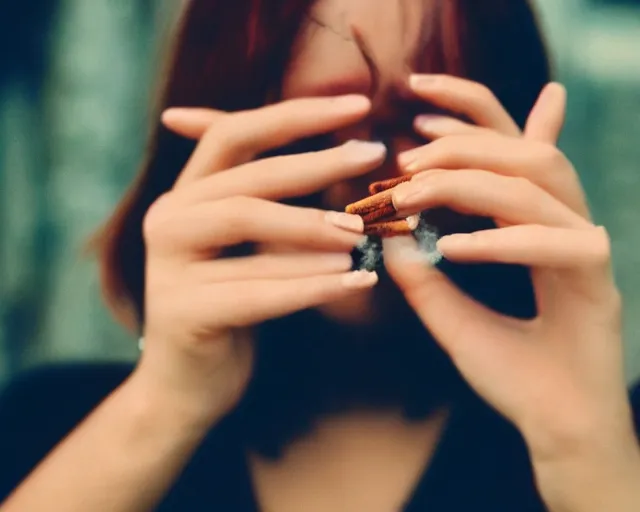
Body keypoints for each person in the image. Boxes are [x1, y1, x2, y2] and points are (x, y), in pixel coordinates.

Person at [1, 0, 640, 510]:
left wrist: (587, 451)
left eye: (417, 122)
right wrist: (165, 404)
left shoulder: (610, 441)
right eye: (304, 136)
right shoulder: (48, 427)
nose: (363, 190)